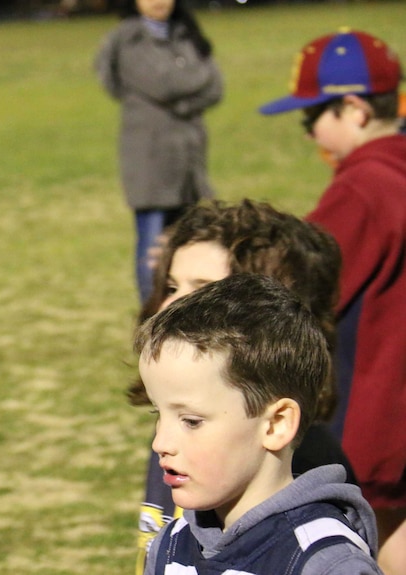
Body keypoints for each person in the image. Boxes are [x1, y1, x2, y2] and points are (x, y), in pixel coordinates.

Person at [128, 199, 356, 573]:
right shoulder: (181, 449)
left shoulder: (315, 536)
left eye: (202, 289)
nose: (171, 303)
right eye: (171, 284)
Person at [259, 29, 406, 575]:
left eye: (311, 117)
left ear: (355, 108)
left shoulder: (364, 186)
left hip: (382, 404)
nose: (309, 133)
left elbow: (297, 283)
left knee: (381, 537)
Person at [93, 0, 223, 303]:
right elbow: (160, 83)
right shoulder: (127, 38)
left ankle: (186, 309)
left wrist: (180, 100)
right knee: (151, 246)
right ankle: (151, 311)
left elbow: (215, 86)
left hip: (189, 158)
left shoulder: (187, 32)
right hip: (148, 156)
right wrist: (192, 87)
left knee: (189, 240)